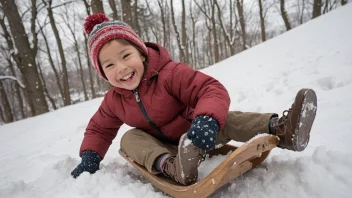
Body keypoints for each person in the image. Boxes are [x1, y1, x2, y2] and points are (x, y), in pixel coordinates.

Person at [71, 13, 317, 186]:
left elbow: (210, 89)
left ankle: (283, 130)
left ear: (141, 52)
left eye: (125, 55)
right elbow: (99, 129)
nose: (121, 68)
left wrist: (207, 120)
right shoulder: (114, 101)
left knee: (228, 119)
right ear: (103, 73)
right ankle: (173, 167)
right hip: (165, 149)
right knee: (129, 138)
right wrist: (90, 155)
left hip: (197, 133)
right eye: (110, 65)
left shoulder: (169, 73)